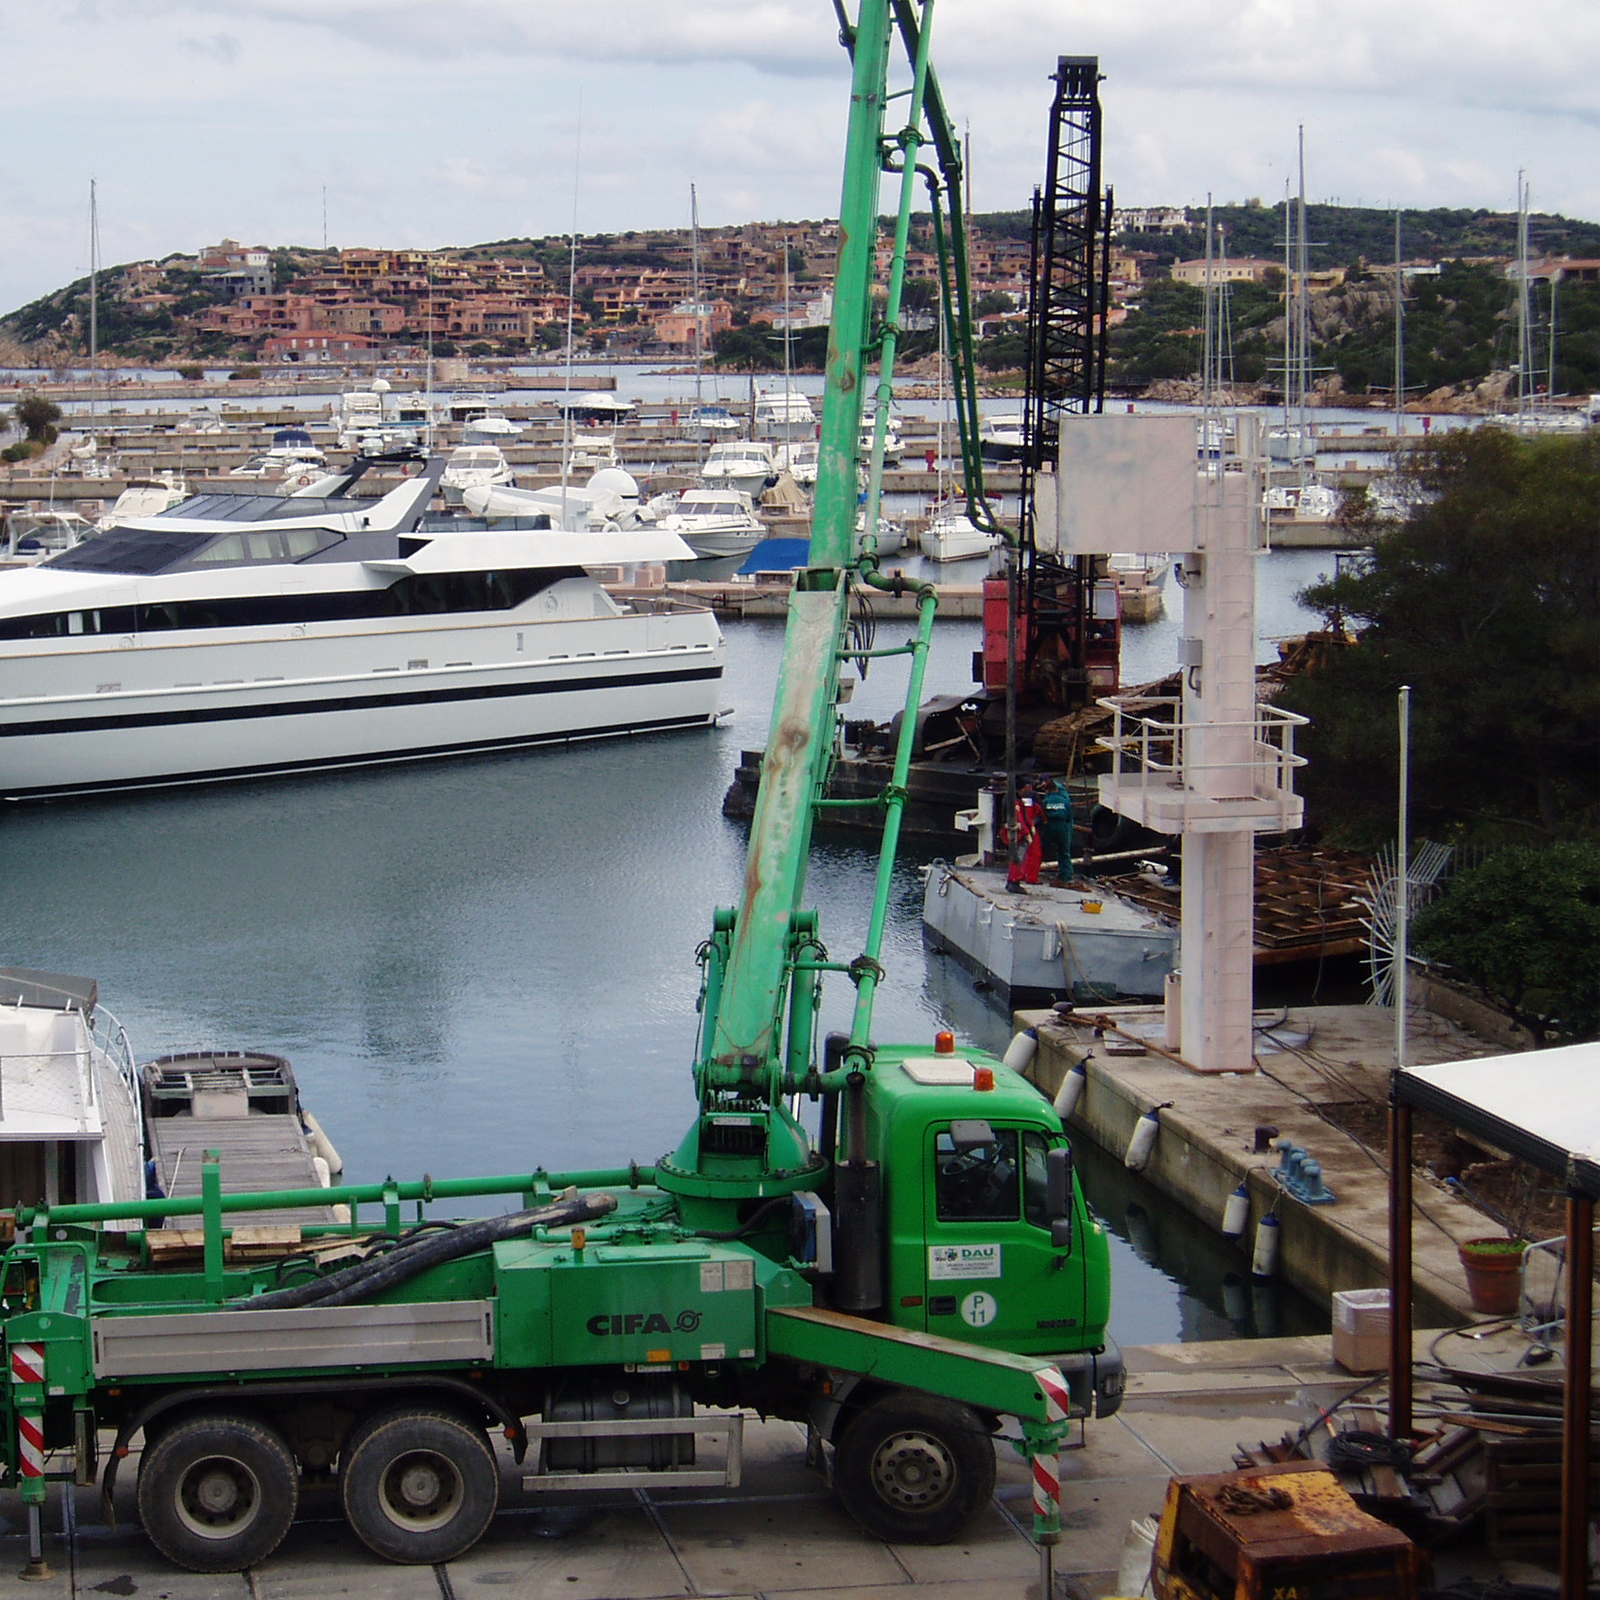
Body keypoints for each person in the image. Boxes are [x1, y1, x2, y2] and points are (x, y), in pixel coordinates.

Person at [1007, 782, 1044, 891]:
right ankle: (1017, 880)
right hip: (1024, 832)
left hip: (1021, 831)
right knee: (1022, 856)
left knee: (1021, 856)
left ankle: (1016, 879)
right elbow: (1023, 818)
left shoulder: (1014, 801)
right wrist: (1028, 831)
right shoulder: (1021, 803)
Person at [1040, 777, 1077, 887]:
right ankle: (1065, 876)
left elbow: (1042, 814)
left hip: (1050, 825)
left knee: (1040, 849)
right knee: (1064, 852)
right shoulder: (1065, 801)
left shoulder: (1046, 801)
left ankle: (1031, 872)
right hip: (1063, 826)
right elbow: (1069, 816)